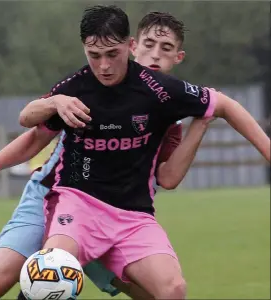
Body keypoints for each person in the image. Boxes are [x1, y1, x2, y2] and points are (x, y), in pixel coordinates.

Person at [0, 10, 237, 300]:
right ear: (132, 47)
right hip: (54, 203)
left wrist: (203, 121)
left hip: (116, 219)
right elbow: (32, 128)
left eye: (165, 48)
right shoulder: (87, 87)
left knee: (161, 293)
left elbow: (168, 178)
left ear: (178, 58)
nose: (155, 55)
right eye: (148, 45)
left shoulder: (167, 117)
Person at [18, 5, 270, 300]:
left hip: (131, 215)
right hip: (77, 204)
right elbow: (29, 122)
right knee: (52, 272)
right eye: (95, 56)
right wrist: (54, 103)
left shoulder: (163, 93)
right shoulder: (77, 86)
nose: (104, 66)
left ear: (129, 46)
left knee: (173, 290)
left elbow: (222, 106)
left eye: (112, 54)